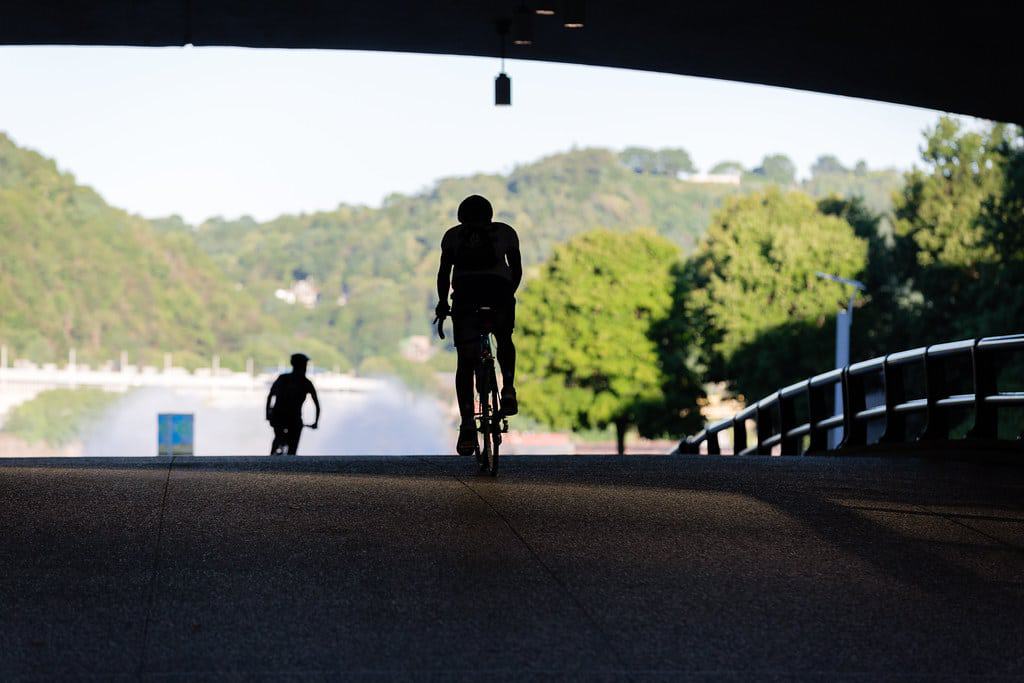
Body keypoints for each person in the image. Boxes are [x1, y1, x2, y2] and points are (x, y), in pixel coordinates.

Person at [435, 195, 522, 456]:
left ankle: (467, 429)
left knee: (465, 363)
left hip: (466, 298)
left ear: (461, 216)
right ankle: (507, 388)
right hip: (499, 293)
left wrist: (442, 303)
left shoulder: (452, 236)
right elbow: (516, 269)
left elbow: (443, 274)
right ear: (490, 214)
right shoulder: (505, 232)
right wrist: (508, 294)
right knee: (504, 339)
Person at [266, 353, 320, 455]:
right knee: (292, 450)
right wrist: (315, 422)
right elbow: (317, 405)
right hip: (294, 419)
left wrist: (268, 415)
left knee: (278, 438)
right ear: (304, 366)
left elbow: (270, 396)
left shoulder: (282, 378)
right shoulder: (306, 383)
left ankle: (272, 459)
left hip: (278, 417)